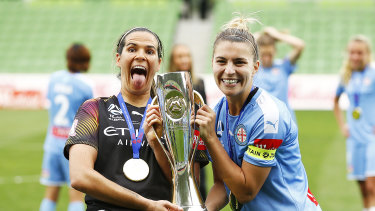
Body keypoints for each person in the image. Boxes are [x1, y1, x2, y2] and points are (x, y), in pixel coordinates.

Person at [194, 16, 321, 210]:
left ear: (255, 68)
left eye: (239, 62)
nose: (229, 70)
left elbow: (246, 192)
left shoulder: (268, 117)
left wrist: (210, 138)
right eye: (221, 61)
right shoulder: (218, 112)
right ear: (212, 63)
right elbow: (222, 185)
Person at [63, 27, 182, 211]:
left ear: (158, 63)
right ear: (119, 59)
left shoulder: (174, 115)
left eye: (149, 51)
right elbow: (80, 176)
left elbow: (185, 182)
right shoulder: (93, 109)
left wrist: (156, 142)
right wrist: (146, 205)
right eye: (132, 49)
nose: (141, 56)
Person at [40, 43, 93, 211]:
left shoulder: (54, 78)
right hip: (72, 147)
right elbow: (89, 116)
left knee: (50, 192)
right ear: (85, 61)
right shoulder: (85, 85)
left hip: (52, 144)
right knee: (76, 194)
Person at [333, 35, 375, 211]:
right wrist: (343, 125)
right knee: (363, 188)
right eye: (352, 52)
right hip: (354, 139)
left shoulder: (372, 74)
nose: (355, 56)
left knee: (372, 186)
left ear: (367, 54)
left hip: (371, 137)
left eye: (359, 53)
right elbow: (335, 101)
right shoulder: (346, 76)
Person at [168, 43, 208, 200]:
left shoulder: (199, 82)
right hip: (173, 143)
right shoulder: (166, 84)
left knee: (199, 184)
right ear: (173, 60)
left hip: (195, 142)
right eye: (180, 56)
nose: (185, 59)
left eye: (187, 55)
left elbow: (203, 109)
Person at [253, 26, 305, 123]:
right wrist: (259, 36)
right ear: (258, 53)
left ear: (275, 51)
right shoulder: (253, 69)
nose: (266, 58)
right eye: (264, 54)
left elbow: (300, 45)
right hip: (261, 121)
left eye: (269, 54)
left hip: (284, 120)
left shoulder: (283, 66)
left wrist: (277, 35)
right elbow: (241, 45)